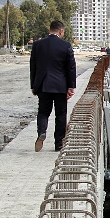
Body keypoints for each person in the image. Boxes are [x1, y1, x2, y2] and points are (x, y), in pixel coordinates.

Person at [30, 20, 76, 152]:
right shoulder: (65, 45)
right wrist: (71, 87)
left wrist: (34, 85)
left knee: (43, 112)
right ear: (61, 31)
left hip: (43, 85)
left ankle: (42, 132)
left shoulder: (38, 44)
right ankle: (59, 144)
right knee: (60, 115)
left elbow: (33, 66)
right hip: (60, 86)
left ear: (50, 29)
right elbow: (71, 68)